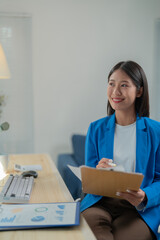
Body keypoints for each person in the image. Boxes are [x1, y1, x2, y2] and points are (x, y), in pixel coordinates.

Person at [80, 61, 160, 240]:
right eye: (111, 84)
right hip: (100, 203)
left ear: (139, 91)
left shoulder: (156, 131)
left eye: (124, 85)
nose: (116, 91)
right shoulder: (96, 129)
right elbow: (88, 181)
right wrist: (96, 174)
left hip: (138, 209)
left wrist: (145, 196)